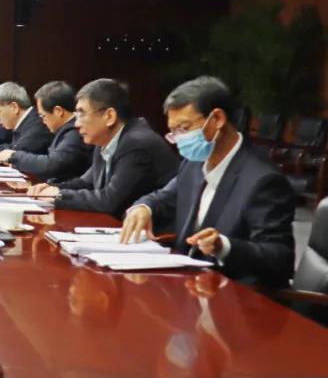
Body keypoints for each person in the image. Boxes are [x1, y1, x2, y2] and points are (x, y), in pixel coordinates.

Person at [120, 76, 294, 288]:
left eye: (184, 129)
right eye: (174, 132)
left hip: (232, 292)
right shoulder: (194, 163)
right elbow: (165, 197)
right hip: (187, 285)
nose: (179, 139)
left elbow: (279, 257)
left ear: (217, 119)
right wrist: (143, 207)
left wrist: (224, 246)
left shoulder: (263, 180)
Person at [28, 78, 177, 219]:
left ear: (109, 116)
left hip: (155, 232)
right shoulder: (105, 139)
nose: (76, 124)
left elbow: (109, 201)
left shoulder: (136, 143)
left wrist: (58, 196)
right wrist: (50, 188)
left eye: (81, 114)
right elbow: (86, 182)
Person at [0, 81, 93, 183]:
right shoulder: (64, 130)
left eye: (42, 115)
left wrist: (14, 156)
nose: (42, 121)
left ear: (58, 111)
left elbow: (52, 165)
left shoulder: (75, 133)